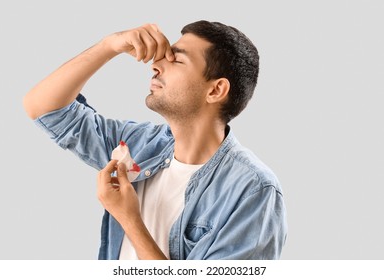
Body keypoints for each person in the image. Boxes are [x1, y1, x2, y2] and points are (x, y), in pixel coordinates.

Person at [23, 20, 287, 260]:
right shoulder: (141, 144)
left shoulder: (252, 191)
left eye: (177, 61)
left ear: (216, 90)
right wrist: (109, 45)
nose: (156, 65)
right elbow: (43, 107)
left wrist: (129, 219)